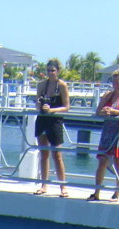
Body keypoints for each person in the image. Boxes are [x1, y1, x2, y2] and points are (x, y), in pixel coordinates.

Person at [88, 69, 119, 202]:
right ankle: (97, 192)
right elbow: (98, 110)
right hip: (108, 131)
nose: (115, 85)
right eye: (114, 82)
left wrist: (114, 111)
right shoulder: (107, 95)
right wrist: (104, 112)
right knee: (102, 161)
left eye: (118, 82)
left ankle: (117, 192)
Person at [33, 59, 70, 197]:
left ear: (58, 71)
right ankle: (44, 185)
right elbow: (37, 102)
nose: (50, 73)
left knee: (57, 155)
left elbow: (67, 107)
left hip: (55, 121)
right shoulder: (42, 85)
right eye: (48, 71)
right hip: (42, 120)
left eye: (53, 70)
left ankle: (63, 187)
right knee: (44, 154)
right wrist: (41, 106)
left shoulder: (62, 86)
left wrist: (52, 110)